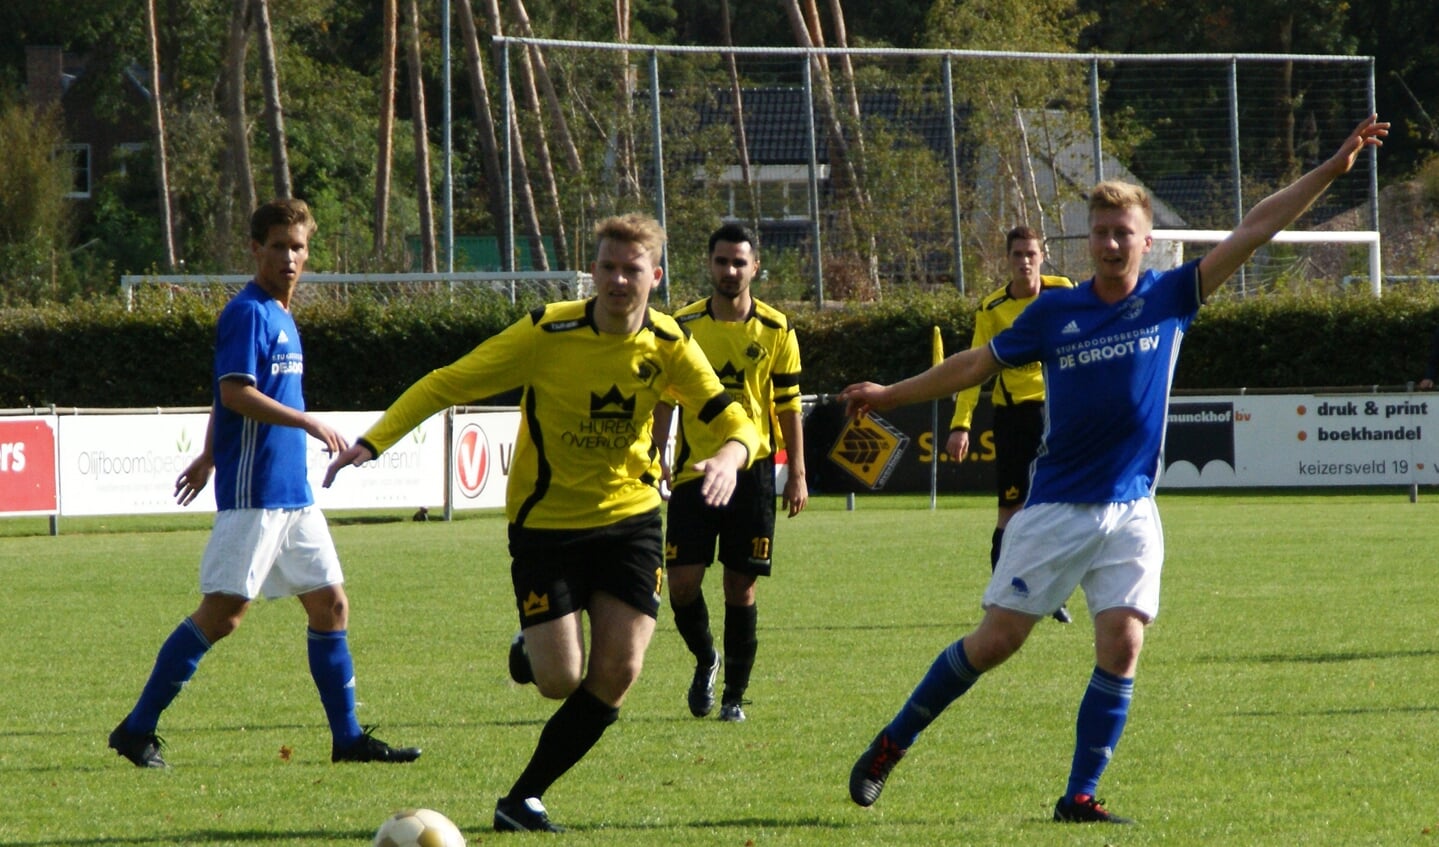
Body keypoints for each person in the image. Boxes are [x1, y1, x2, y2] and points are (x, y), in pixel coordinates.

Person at [841, 115, 1387, 824]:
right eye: (1098, 231)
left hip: (1131, 507)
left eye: (1120, 232)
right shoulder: (1054, 311)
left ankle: (1079, 795)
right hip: (1058, 507)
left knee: (1123, 641)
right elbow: (974, 363)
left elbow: (1253, 230)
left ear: (1145, 239)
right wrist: (889, 394)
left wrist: (1330, 171)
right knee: (994, 643)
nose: (1108, 243)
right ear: (1088, 238)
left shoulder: (1168, 297)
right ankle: (893, 739)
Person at [323, 213, 761, 833]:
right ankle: (532, 649)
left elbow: (740, 421)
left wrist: (727, 455)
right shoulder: (547, 332)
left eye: (631, 270)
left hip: (630, 520)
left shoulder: (669, 346)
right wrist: (373, 442)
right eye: (606, 267)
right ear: (594, 272)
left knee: (621, 671)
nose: (616, 280)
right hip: (546, 528)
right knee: (560, 680)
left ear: (654, 277)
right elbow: (448, 382)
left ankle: (521, 798)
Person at [107, 198, 420, 769]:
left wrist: (206, 455)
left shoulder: (281, 314)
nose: (289, 257)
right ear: (256, 249)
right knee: (222, 616)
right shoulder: (249, 311)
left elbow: (226, 391)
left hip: (292, 496)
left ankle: (347, 740)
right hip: (255, 495)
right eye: (278, 246)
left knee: (331, 606)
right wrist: (304, 421)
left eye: (298, 247)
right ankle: (135, 728)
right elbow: (234, 393)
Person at [652, 223, 807, 723]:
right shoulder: (684, 325)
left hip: (754, 473)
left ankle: (735, 698)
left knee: (741, 588)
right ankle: (706, 659)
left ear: (755, 267)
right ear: (709, 264)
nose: (730, 270)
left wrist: (798, 472)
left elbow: (787, 407)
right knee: (681, 584)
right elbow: (663, 400)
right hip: (695, 472)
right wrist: (656, 453)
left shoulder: (777, 329)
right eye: (722, 261)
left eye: (740, 262)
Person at [947, 225, 1074, 623]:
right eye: (1017, 255)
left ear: (1042, 257)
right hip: (1014, 417)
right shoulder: (992, 309)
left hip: (1058, 414)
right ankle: (1002, 595)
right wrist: (960, 424)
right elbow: (972, 370)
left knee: (1060, 507)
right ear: (1007, 260)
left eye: (1031, 254)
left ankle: (1055, 596)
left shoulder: (1064, 292)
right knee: (1011, 510)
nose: (1025, 262)